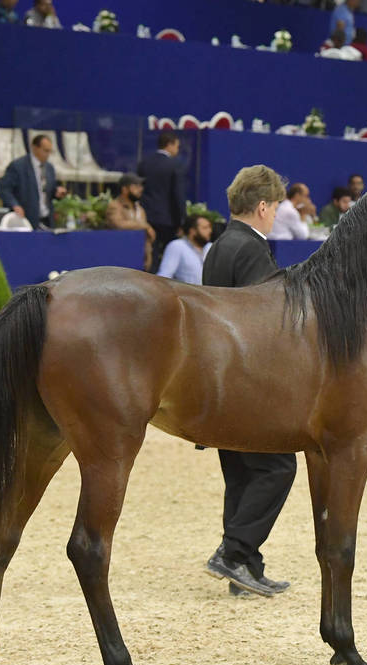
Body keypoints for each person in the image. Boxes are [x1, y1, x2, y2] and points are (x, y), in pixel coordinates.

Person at [202, 164, 296, 597]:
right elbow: (266, 321)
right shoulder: (253, 250)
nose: (274, 214)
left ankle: (245, 567)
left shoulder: (220, 247)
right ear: (262, 206)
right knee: (278, 466)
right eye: (274, 207)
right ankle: (234, 551)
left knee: (241, 476)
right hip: (248, 382)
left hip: (220, 383)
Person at [138, 131, 187, 273]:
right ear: (169, 144)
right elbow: (177, 195)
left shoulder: (144, 163)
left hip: (146, 217)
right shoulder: (174, 164)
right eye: (177, 146)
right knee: (168, 256)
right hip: (168, 220)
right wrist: (182, 220)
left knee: (150, 254)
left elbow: (140, 189)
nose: (178, 150)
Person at [0, 133, 65, 229]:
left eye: (50, 151)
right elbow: (4, 188)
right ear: (35, 148)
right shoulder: (18, 166)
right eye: (45, 151)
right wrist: (14, 205)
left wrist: (57, 192)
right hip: (27, 218)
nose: (48, 155)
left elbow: (49, 191)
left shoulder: (50, 168)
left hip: (47, 221)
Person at [106, 173, 157, 270]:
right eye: (136, 186)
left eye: (141, 186)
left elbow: (147, 237)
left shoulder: (140, 209)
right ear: (124, 189)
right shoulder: (115, 206)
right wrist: (145, 226)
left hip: (140, 261)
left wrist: (148, 256)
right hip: (121, 259)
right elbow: (118, 224)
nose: (140, 189)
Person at [156, 214, 211, 285]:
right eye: (205, 228)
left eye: (210, 227)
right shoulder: (177, 246)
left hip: (210, 291)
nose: (210, 231)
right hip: (185, 291)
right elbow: (164, 275)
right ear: (192, 231)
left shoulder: (210, 247)